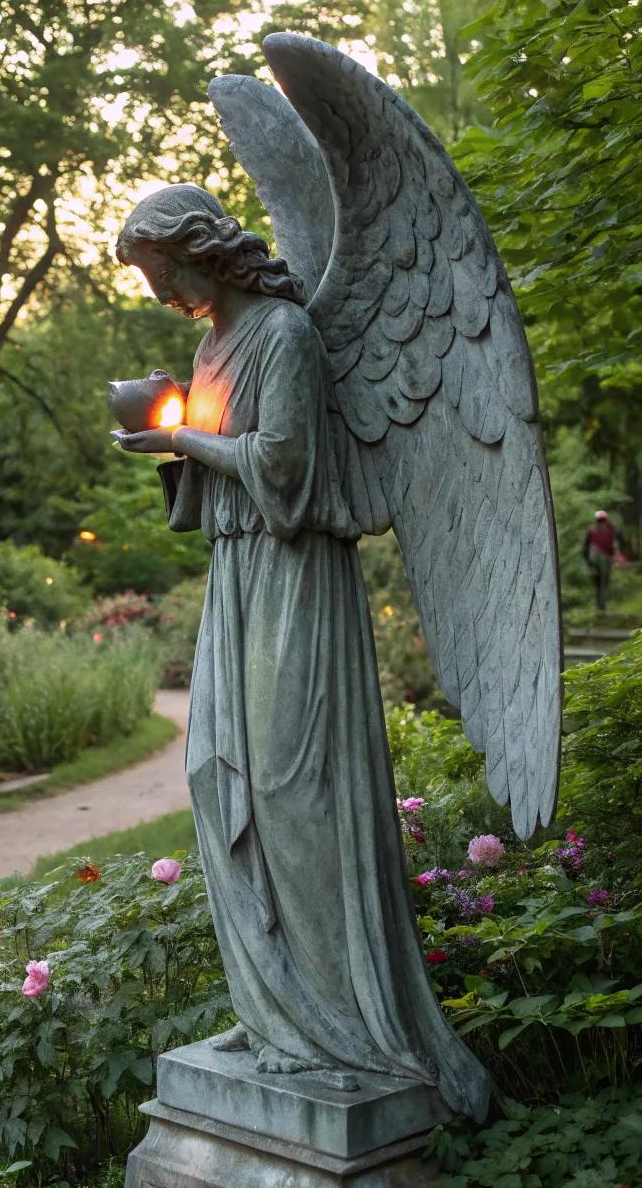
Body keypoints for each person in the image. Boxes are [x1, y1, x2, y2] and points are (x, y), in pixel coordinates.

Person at [111, 183, 490, 1123]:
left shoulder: (283, 335)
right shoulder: (210, 345)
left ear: (197, 252)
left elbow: (284, 469)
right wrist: (177, 455)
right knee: (213, 774)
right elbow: (222, 475)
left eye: (159, 269)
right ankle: (274, 1009)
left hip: (296, 581)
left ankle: (339, 1026)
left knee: (293, 794)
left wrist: (183, 436)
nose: (157, 289)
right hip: (237, 581)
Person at [583, 510, 621, 611]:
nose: (601, 522)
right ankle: (600, 606)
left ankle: (601, 606)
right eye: (600, 520)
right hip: (598, 558)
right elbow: (586, 546)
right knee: (600, 582)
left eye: (602, 520)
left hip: (604, 558)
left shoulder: (609, 529)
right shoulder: (593, 529)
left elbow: (614, 542)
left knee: (602, 582)